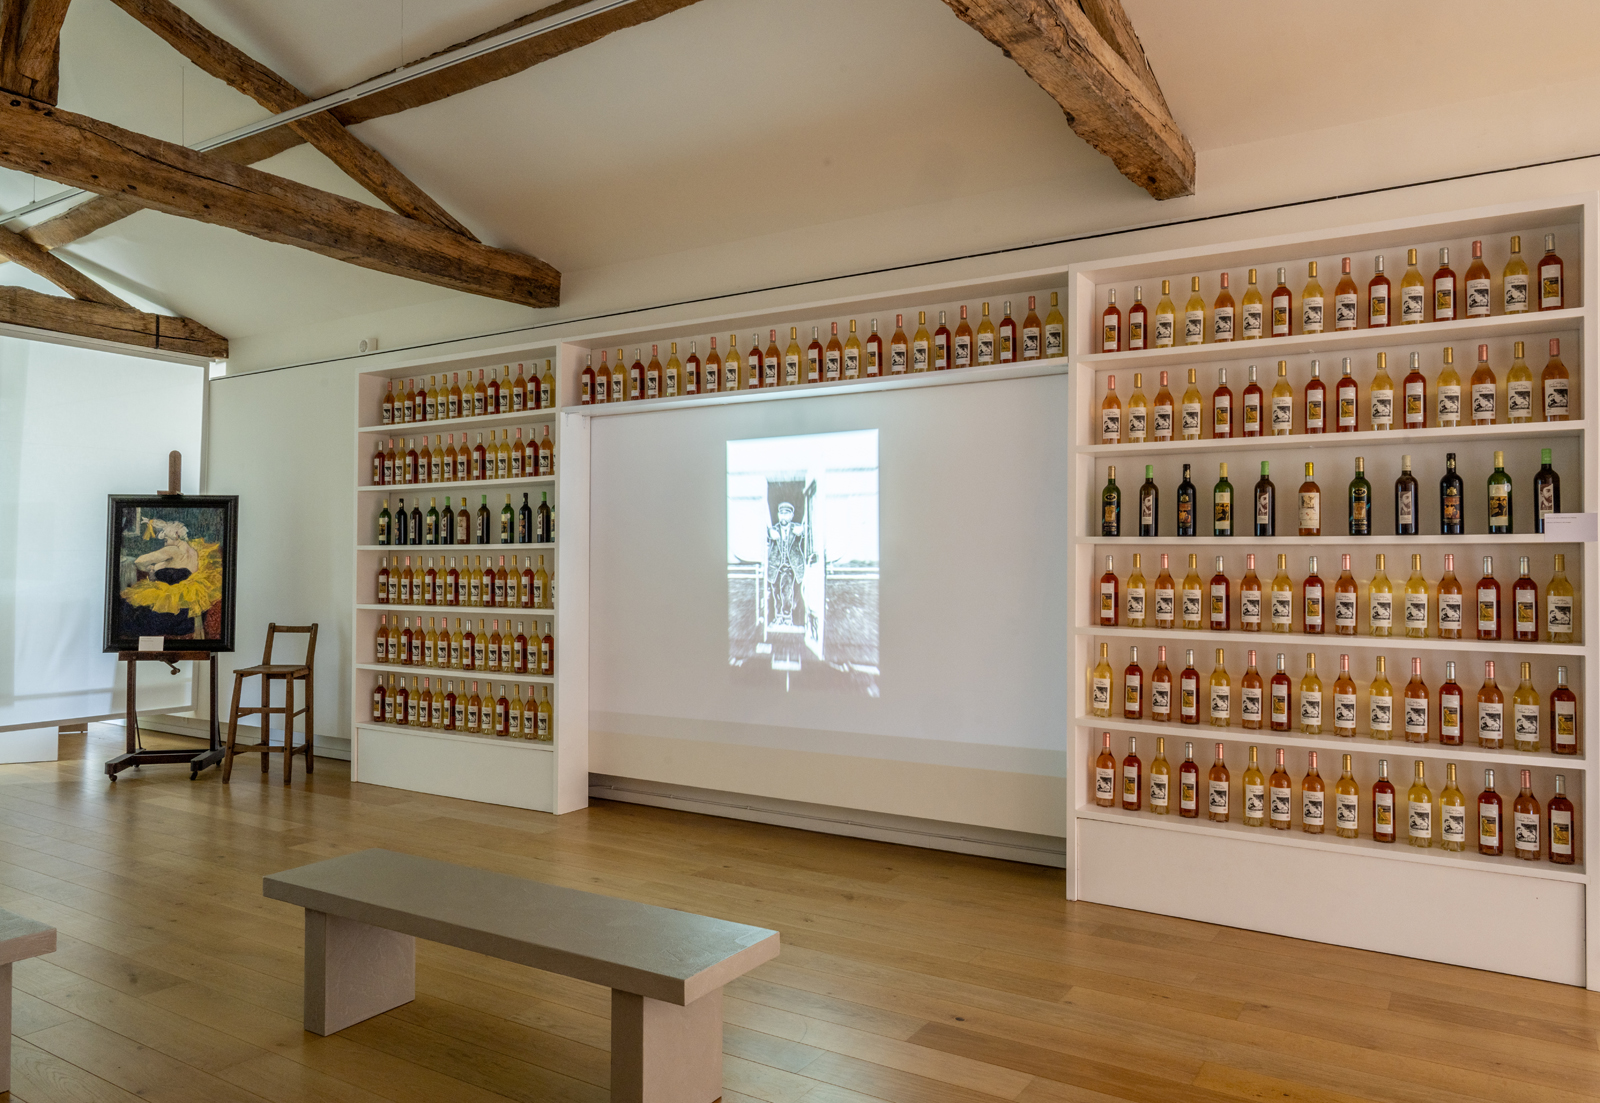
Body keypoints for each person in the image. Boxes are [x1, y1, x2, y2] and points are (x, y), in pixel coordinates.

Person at [119, 518, 222, 639]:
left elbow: (139, 561)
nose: (165, 544)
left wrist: (151, 567)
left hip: (169, 612)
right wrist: (160, 566)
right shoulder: (194, 552)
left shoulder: (173, 550)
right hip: (187, 616)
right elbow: (177, 569)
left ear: (176, 536)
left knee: (128, 608)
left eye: (166, 540)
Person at [766, 501, 807, 627]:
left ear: (791, 516)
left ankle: (787, 617)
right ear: (778, 515)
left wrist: (803, 530)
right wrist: (769, 532)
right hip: (775, 567)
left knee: (787, 592)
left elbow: (809, 529)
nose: (783, 516)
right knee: (776, 593)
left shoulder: (797, 528)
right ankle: (779, 617)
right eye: (781, 513)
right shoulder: (773, 529)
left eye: (787, 514)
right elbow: (764, 532)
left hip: (790, 567)